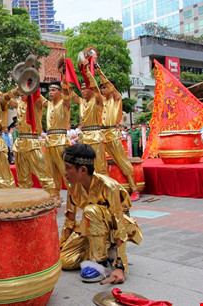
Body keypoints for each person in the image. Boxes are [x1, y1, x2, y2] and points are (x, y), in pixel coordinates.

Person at [59, 144, 142, 283]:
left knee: (91, 210)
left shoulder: (108, 186)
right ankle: (99, 249)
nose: (65, 172)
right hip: (91, 226)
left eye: (68, 168)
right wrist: (60, 247)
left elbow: (120, 223)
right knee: (65, 261)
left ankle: (100, 262)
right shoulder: (73, 188)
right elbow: (69, 221)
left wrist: (120, 266)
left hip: (114, 227)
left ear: (83, 170)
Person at [98, 69, 140, 201]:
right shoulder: (101, 101)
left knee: (122, 161)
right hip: (101, 134)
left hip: (113, 134)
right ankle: (104, 190)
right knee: (100, 163)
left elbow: (113, 90)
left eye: (105, 87)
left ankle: (134, 189)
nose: (103, 90)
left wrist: (100, 73)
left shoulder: (116, 99)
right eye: (102, 87)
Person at [7, 87, 56, 195]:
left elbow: (41, 99)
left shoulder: (36, 104)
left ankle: (52, 197)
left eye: (25, 91)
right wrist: (17, 88)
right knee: (23, 178)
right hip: (20, 143)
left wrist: (32, 86)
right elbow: (6, 98)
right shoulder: (19, 104)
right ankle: (26, 199)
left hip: (33, 142)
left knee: (43, 173)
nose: (21, 93)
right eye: (21, 91)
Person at [66, 68, 108, 175]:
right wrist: (64, 75)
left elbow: (97, 90)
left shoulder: (98, 100)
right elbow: (71, 93)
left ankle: (102, 189)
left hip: (95, 136)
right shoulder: (81, 102)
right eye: (81, 89)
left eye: (85, 88)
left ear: (91, 89)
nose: (83, 91)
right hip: (84, 136)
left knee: (98, 165)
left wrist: (88, 73)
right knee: (83, 165)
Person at [42, 80, 71, 197]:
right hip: (49, 141)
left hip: (61, 140)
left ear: (60, 92)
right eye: (49, 90)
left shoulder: (64, 104)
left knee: (65, 169)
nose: (50, 93)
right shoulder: (48, 105)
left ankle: (73, 195)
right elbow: (36, 95)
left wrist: (64, 79)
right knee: (51, 171)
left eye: (54, 90)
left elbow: (68, 97)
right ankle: (55, 195)